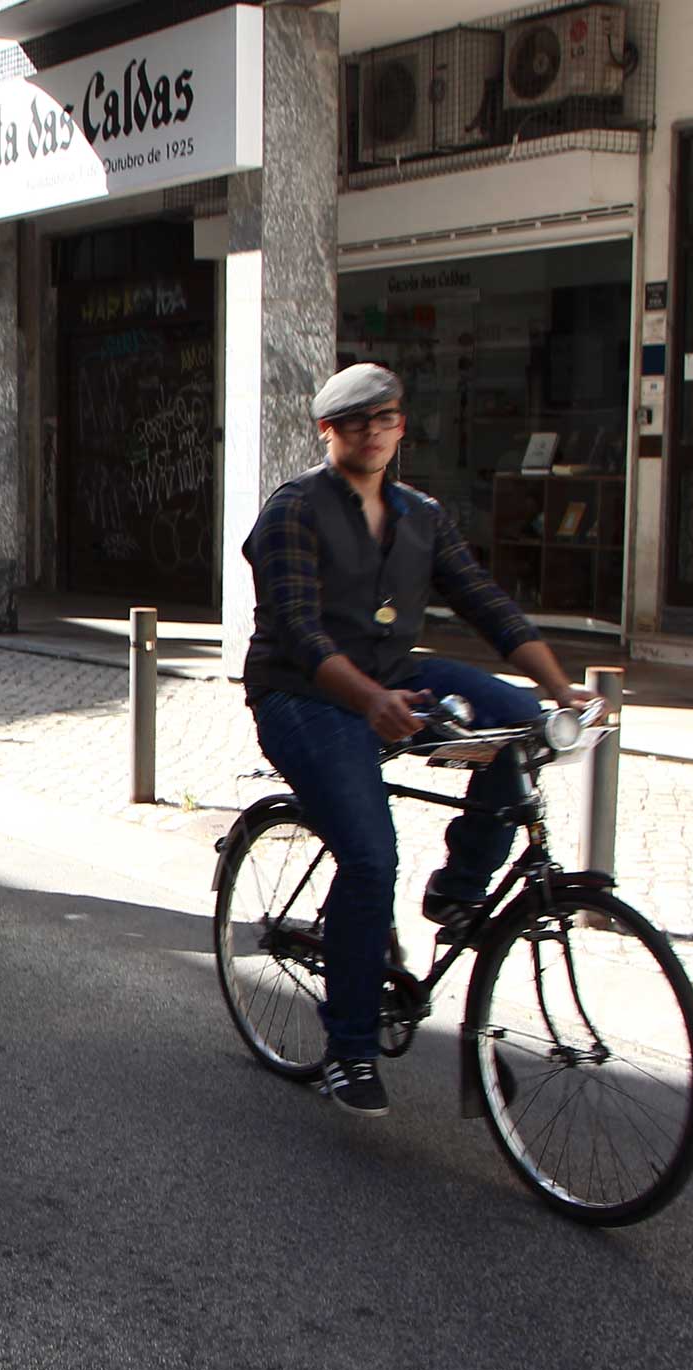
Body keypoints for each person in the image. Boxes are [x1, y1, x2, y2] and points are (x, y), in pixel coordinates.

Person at [242, 363, 593, 1118]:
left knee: (523, 727)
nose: (375, 432)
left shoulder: (420, 514)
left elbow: (484, 602)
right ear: (326, 431)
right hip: (301, 694)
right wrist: (370, 700)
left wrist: (560, 689)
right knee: (371, 855)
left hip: (392, 677)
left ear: (403, 426)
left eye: (388, 418)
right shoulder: (293, 510)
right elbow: (299, 633)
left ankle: (459, 889)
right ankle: (350, 1046)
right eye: (357, 421)